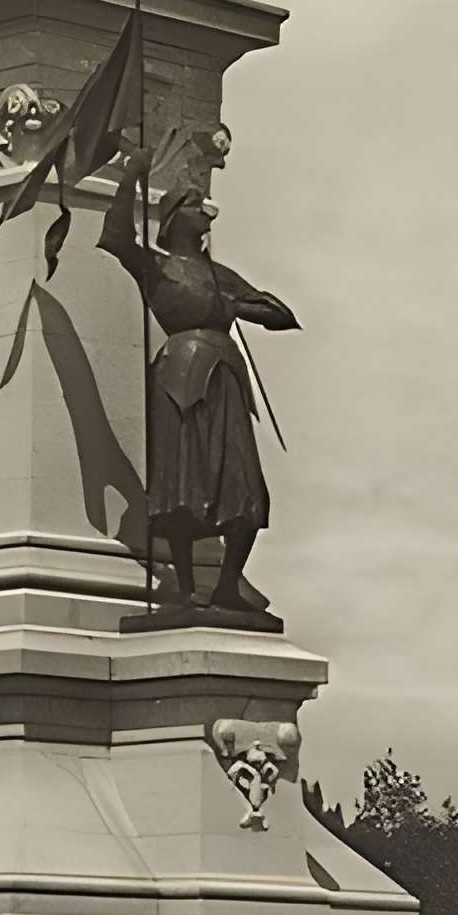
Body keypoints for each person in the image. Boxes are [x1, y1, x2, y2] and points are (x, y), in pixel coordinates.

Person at [98, 145, 300, 613]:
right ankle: (185, 586)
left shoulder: (220, 275)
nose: (205, 212)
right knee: (180, 485)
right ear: (172, 220)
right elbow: (115, 235)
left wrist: (239, 304)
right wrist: (132, 176)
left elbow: (281, 315)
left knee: (243, 488)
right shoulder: (155, 266)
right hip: (178, 377)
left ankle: (227, 585)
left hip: (224, 378)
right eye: (193, 205)